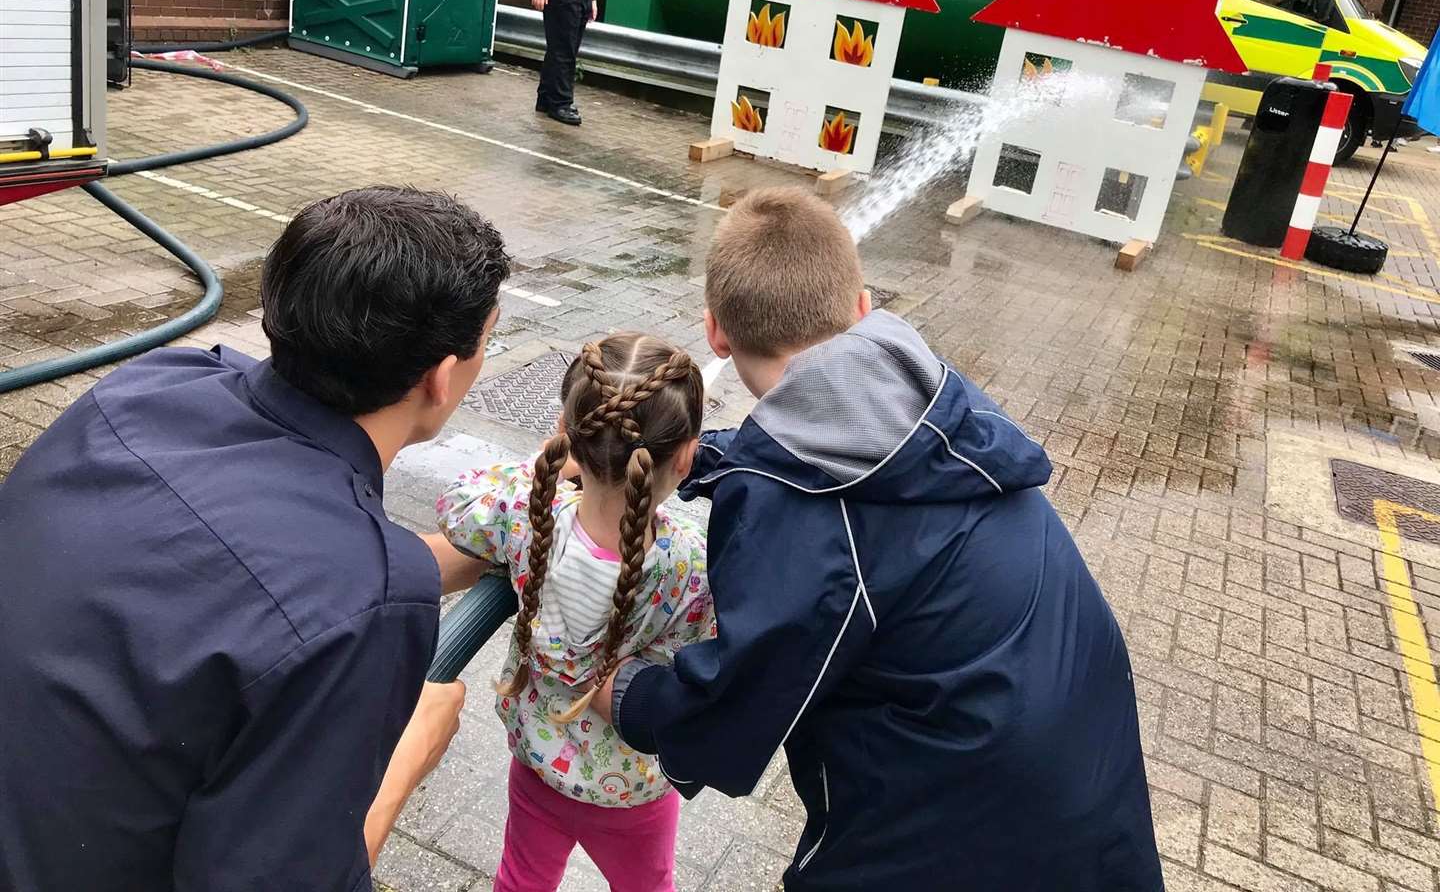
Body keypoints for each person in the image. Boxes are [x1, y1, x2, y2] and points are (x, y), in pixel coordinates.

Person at [596, 188, 1163, 891]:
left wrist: (624, 695)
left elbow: (733, 712)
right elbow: (812, 472)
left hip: (954, 836)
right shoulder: (934, 413)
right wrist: (695, 460)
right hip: (1088, 805)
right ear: (861, 306)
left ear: (715, 332)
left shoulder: (804, 515)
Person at [0, 186, 513, 891]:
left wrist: (520, 524)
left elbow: (274, 590)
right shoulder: (363, 604)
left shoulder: (156, 384)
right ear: (443, 375)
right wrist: (405, 763)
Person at [429, 334, 716, 892]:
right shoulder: (694, 563)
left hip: (538, 762)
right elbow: (704, 649)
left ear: (567, 435)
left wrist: (544, 464)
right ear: (685, 455)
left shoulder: (525, 516)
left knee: (521, 880)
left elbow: (457, 505)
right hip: (633, 785)